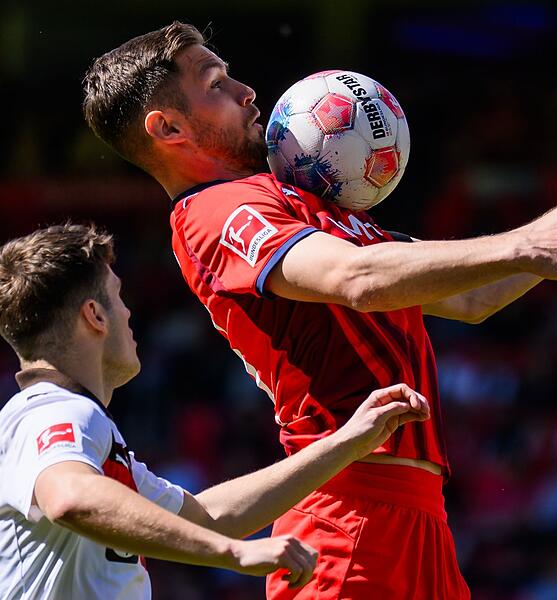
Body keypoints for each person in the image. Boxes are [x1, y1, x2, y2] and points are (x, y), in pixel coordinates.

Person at [82, 21, 557, 599]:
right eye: (216, 85)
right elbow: (355, 278)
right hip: (347, 512)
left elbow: (472, 295)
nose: (246, 92)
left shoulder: (299, 201)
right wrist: (526, 245)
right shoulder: (215, 212)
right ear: (167, 130)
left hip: (419, 513)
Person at [0, 223, 430, 600]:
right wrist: (235, 553)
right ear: (94, 315)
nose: (129, 312)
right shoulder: (54, 412)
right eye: (118, 297)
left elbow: (208, 517)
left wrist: (347, 442)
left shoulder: (75, 425)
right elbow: (70, 496)